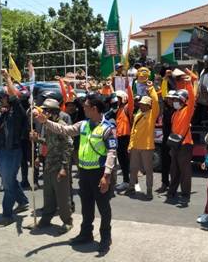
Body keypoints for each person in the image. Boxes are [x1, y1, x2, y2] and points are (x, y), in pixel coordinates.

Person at [35, 93, 117, 254]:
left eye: (86, 106)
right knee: (86, 206)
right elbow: (64, 130)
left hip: (100, 174)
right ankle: (85, 234)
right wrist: (46, 122)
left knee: (103, 207)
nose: (83, 108)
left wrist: (106, 175)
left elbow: (112, 152)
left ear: (94, 108)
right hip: (85, 173)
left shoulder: (108, 128)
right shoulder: (83, 124)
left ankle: (105, 237)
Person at [0, 69, 29, 227]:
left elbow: (14, 96)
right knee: (9, 180)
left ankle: (7, 215)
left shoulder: (18, 112)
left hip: (13, 151)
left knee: (6, 184)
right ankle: (23, 201)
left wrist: (7, 77)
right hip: (1, 151)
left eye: (2, 98)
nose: (0, 100)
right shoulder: (3, 114)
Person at [30, 98, 73, 233]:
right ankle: (46, 219)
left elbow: (68, 146)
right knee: (48, 195)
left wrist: (64, 167)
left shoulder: (61, 125)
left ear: (53, 112)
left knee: (62, 196)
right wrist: (38, 140)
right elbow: (49, 143)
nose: (43, 113)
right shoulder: (47, 125)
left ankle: (67, 221)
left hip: (59, 166)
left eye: (46, 111)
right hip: (49, 164)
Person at [125, 81, 159, 200]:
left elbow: (155, 101)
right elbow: (133, 131)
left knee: (148, 170)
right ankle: (131, 187)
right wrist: (130, 145)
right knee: (133, 168)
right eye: (140, 104)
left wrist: (151, 89)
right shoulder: (138, 114)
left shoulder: (152, 114)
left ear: (149, 105)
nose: (141, 105)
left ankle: (149, 190)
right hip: (135, 146)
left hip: (147, 147)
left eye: (144, 104)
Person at [167, 75, 196, 203]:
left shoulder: (187, 110)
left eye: (176, 99)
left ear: (183, 100)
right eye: (174, 100)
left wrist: (189, 84)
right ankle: (172, 191)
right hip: (175, 144)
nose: (174, 101)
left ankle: (185, 195)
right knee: (174, 169)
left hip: (185, 144)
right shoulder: (175, 113)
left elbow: (193, 99)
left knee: (185, 171)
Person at [113, 84, 134, 191]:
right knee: (122, 161)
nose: (116, 100)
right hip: (119, 138)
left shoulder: (127, 108)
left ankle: (130, 182)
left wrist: (128, 86)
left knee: (127, 161)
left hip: (126, 138)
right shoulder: (118, 109)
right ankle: (127, 181)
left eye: (118, 98)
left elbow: (131, 99)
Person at [156, 90, 176, 193]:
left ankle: (173, 186)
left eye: (171, 99)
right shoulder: (166, 108)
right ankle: (164, 183)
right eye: (168, 98)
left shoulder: (177, 110)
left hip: (174, 141)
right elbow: (159, 101)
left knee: (174, 165)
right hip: (165, 140)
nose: (169, 100)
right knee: (164, 163)